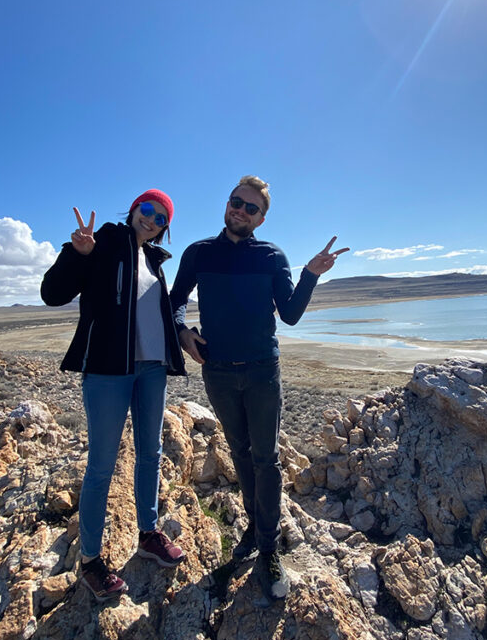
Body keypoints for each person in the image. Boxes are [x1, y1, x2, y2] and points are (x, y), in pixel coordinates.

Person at [169, 175, 347, 606]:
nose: (241, 211)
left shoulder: (271, 256)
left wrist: (310, 275)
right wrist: (182, 333)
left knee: (266, 458)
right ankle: (255, 524)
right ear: (227, 204)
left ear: (261, 219)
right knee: (241, 452)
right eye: (237, 202)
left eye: (251, 208)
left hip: (263, 372)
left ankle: (268, 548)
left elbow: (290, 314)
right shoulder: (199, 253)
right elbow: (174, 301)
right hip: (218, 373)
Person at [41, 190, 187, 602]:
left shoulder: (154, 260)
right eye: (147, 210)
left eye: (161, 218)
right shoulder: (103, 241)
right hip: (108, 371)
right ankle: (90, 561)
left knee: (150, 453)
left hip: (152, 369)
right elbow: (53, 294)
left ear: (164, 228)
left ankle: (148, 534)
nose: (151, 220)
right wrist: (77, 254)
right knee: (102, 465)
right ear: (134, 209)